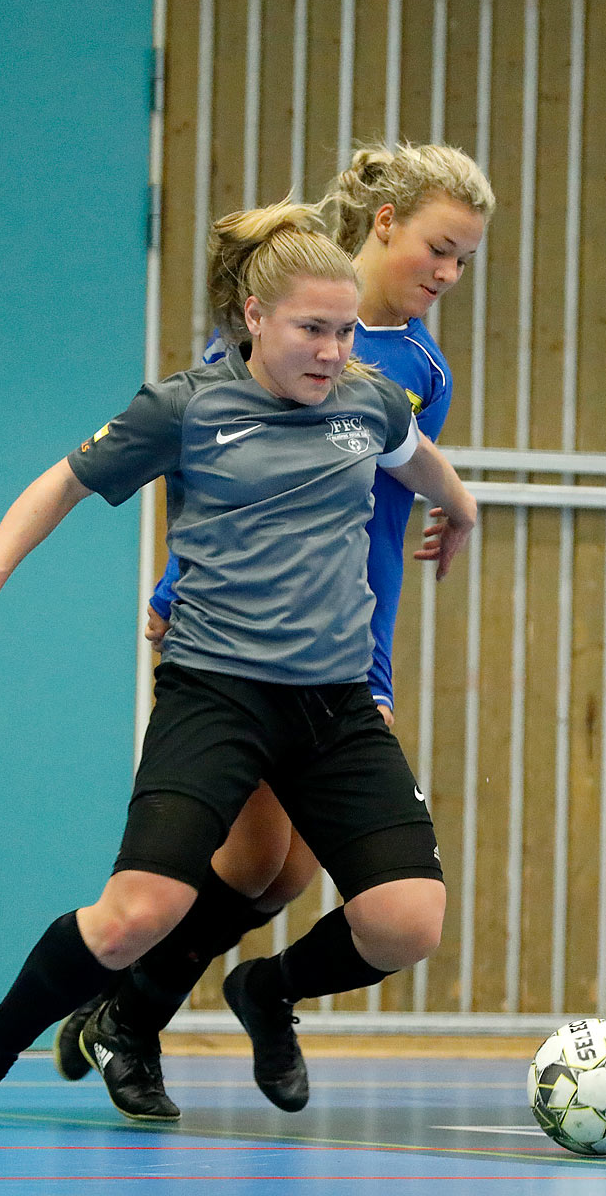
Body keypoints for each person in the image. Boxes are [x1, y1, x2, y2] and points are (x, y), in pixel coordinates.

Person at [0, 197, 478, 1131]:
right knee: (137, 913)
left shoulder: (368, 400)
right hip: (217, 694)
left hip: (333, 704)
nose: (332, 352)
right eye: (311, 331)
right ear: (254, 318)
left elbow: (423, 463)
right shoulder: (187, 407)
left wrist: (463, 510)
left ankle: (267, 989)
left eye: (342, 331)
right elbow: (61, 483)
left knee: (406, 922)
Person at [53, 143, 494, 1120]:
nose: (447, 275)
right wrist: (174, 582)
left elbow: (394, 497)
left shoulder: (421, 368)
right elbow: (212, 470)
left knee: (280, 870)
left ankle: (161, 1005)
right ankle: (129, 1013)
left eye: (464, 261)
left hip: (347, 644)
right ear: (383, 224)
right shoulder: (281, 324)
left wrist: (457, 510)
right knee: (254, 861)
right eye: (439, 248)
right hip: (240, 642)